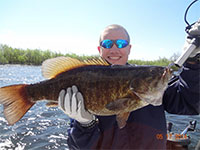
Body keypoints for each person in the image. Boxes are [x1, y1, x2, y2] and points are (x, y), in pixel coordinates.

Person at [58, 24, 200, 149]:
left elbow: (190, 102)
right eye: (107, 44)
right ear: (99, 49)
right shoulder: (82, 81)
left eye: (120, 43)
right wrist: (84, 124)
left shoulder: (152, 83)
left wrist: (193, 62)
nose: (114, 49)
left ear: (129, 48)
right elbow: (77, 147)